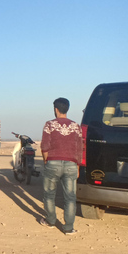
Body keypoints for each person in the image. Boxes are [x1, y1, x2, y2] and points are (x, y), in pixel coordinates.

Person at [39, 98, 83, 235]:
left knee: (49, 194)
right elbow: (79, 149)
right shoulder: (76, 126)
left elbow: (45, 146)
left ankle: (51, 221)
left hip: (53, 162)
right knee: (70, 197)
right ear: (67, 108)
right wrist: (78, 166)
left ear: (56, 109)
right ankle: (68, 228)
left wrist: (46, 161)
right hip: (71, 164)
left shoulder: (49, 125)